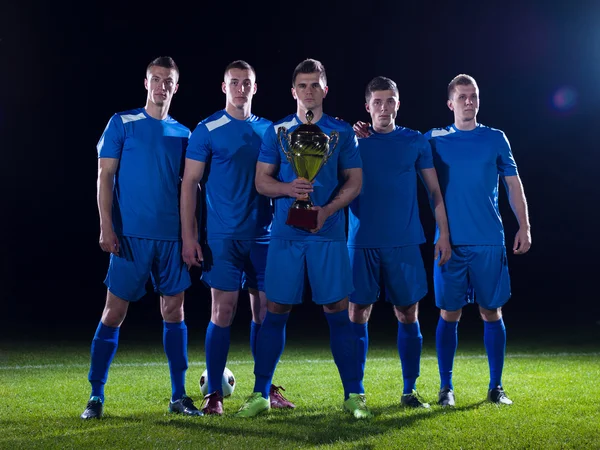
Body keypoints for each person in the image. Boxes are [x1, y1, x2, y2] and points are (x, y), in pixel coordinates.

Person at [235, 58, 370, 419]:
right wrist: (286, 187)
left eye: (315, 85)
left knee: (338, 313)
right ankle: (261, 393)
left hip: (327, 235)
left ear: (325, 89)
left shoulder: (341, 132)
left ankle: (354, 395)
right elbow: (262, 181)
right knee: (274, 311)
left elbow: (355, 182)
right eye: (302, 86)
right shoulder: (276, 132)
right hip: (285, 235)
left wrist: (326, 210)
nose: (309, 92)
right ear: (293, 91)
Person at [81, 56, 201, 419]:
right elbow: (105, 176)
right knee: (114, 312)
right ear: (146, 82)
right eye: (156, 79)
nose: (162, 85)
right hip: (130, 236)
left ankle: (178, 397)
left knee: (174, 311)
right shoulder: (122, 122)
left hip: (170, 239)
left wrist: (188, 237)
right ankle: (96, 397)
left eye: (169, 81)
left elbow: (189, 190)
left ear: (176, 87)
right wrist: (106, 224)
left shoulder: (184, 134)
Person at [180, 60, 294, 415]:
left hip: (264, 238)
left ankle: (265, 389)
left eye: (247, 82)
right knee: (223, 311)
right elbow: (190, 184)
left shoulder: (270, 131)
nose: (241, 87)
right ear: (224, 86)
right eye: (235, 82)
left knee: (266, 313)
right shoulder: (207, 128)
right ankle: (214, 393)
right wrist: (190, 236)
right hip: (223, 239)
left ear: (255, 88)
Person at [424, 74, 531, 406]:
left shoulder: (496, 138)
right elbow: (396, 147)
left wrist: (524, 226)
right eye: (462, 97)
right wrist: (364, 133)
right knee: (449, 314)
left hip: (488, 240)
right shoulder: (434, 138)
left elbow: (514, 185)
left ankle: (496, 387)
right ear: (450, 103)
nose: (468, 101)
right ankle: (446, 389)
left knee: (491, 311)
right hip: (449, 243)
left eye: (473, 96)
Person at [347, 76, 451, 409]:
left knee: (408, 312)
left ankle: (409, 391)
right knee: (357, 312)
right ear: (367, 106)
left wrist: (443, 233)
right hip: (360, 241)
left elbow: (434, 191)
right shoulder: (353, 141)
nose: (383, 107)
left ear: (398, 103)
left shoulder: (415, 141)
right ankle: (356, 393)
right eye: (377, 102)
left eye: (389, 100)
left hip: (404, 241)